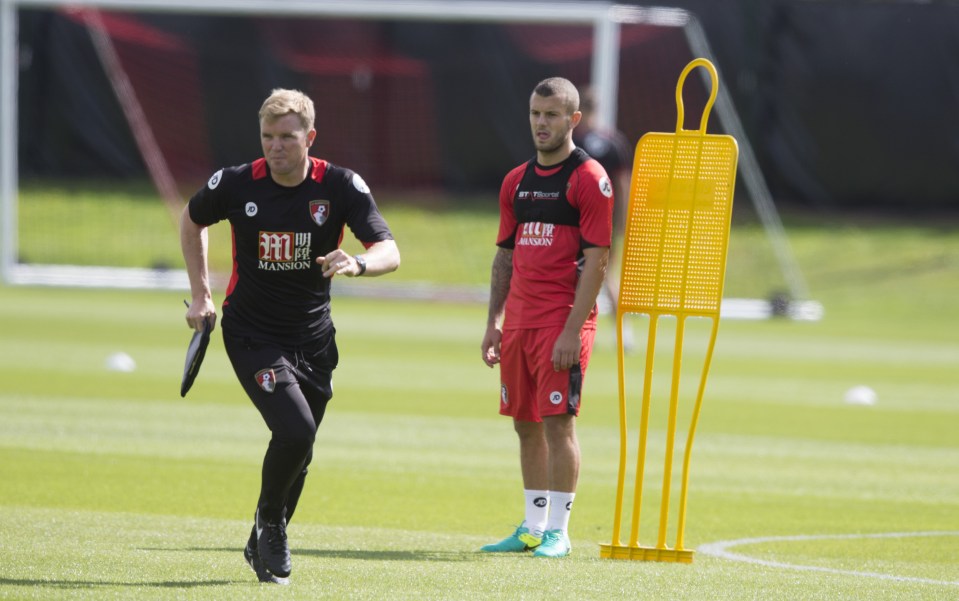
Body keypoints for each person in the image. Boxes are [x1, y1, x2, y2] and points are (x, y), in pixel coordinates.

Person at [180, 88, 400, 584]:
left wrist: (358, 263)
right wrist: (200, 293)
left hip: (314, 338)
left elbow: (389, 248)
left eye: (286, 137)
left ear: (310, 138)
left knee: (302, 447)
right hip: (252, 332)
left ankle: (263, 531)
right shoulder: (236, 183)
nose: (275, 147)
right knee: (296, 430)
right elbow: (192, 220)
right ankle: (273, 526)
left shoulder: (340, 185)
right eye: (267, 137)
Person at [479, 77, 613, 558]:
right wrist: (494, 321)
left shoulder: (588, 178)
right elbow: (504, 256)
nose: (541, 123)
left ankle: (559, 530)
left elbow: (598, 260)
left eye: (552, 115)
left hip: (562, 323)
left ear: (573, 120)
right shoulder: (516, 181)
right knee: (524, 423)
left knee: (559, 423)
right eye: (536, 114)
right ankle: (533, 526)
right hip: (518, 324)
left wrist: (573, 330)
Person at [572, 86, 634, 350]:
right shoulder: (614, 141)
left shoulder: (574, 143)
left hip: (579, 221)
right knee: (606, 276)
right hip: (606, 222)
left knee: (578, 275)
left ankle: (579, 330)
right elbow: (623, 186)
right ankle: (623, 333)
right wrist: (623, 220)